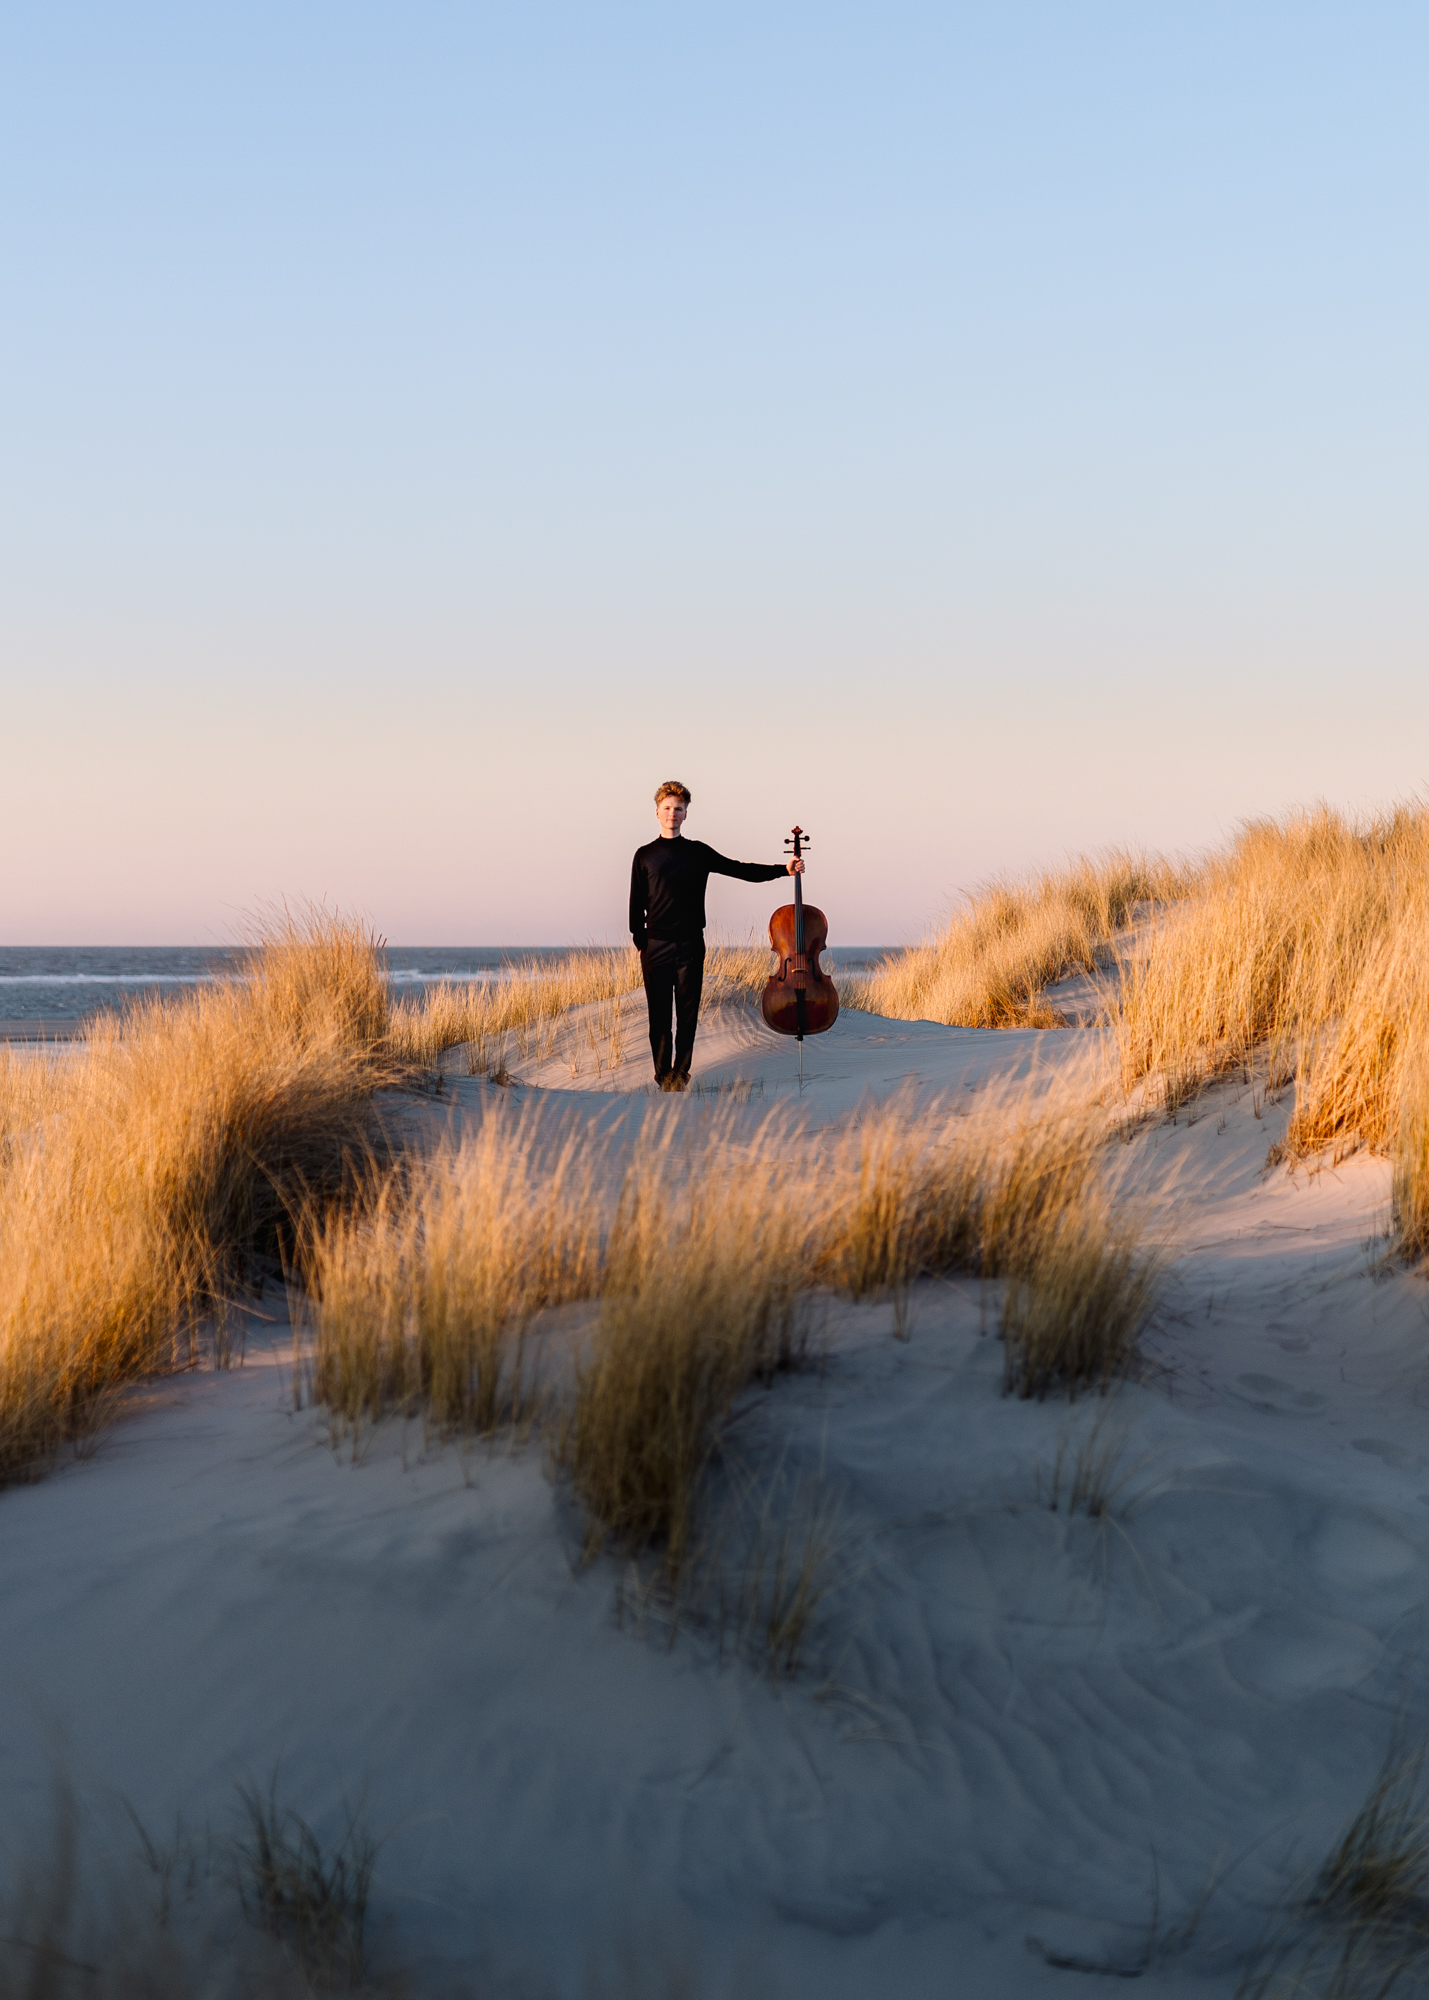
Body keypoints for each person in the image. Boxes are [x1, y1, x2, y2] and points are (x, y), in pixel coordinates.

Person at [629, 781, 803, 1090]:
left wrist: (783, 869)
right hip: (655, 946)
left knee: (687, 1013)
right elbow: (635, 904)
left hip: (690, 945)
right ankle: (662, 1076)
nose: (673, 814)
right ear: (657, 812)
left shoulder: (698, 852)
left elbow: (740, 869)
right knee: (659, 1017)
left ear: (685, 815)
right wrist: (641, 941)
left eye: (678, 809)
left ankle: (680, 1076)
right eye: (667, 808)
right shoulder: (644, 855)